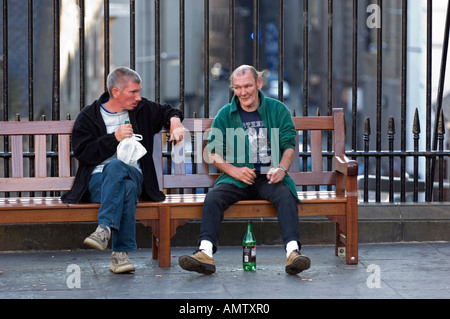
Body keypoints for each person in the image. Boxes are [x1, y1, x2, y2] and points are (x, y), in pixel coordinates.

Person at [178, 65, 310, 275]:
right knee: (213, 198)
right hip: (236, 178)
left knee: (285, 195)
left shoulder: (277, 109)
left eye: (247, 86)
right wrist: (234, 170)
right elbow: (212, 152)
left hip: (268, 176)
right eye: (238, 88)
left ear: (258, 83)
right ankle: (205, 252)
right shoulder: (225, 115)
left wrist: (282, 169)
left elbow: (289, 145)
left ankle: (293, 253)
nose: (243, 92)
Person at [61, 66, 185, 274]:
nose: (138, 97)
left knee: (122, 170)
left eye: (139, 91)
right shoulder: (89, 116)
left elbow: (168, 110)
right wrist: (114, 138)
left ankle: (104, 229)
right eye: (133, 92)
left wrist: (175, 122)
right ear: (116, 92)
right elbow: (83, 153)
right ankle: (120, 255)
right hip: (98, 182)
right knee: (123, 183)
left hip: (136, 176)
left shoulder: (142, 109)